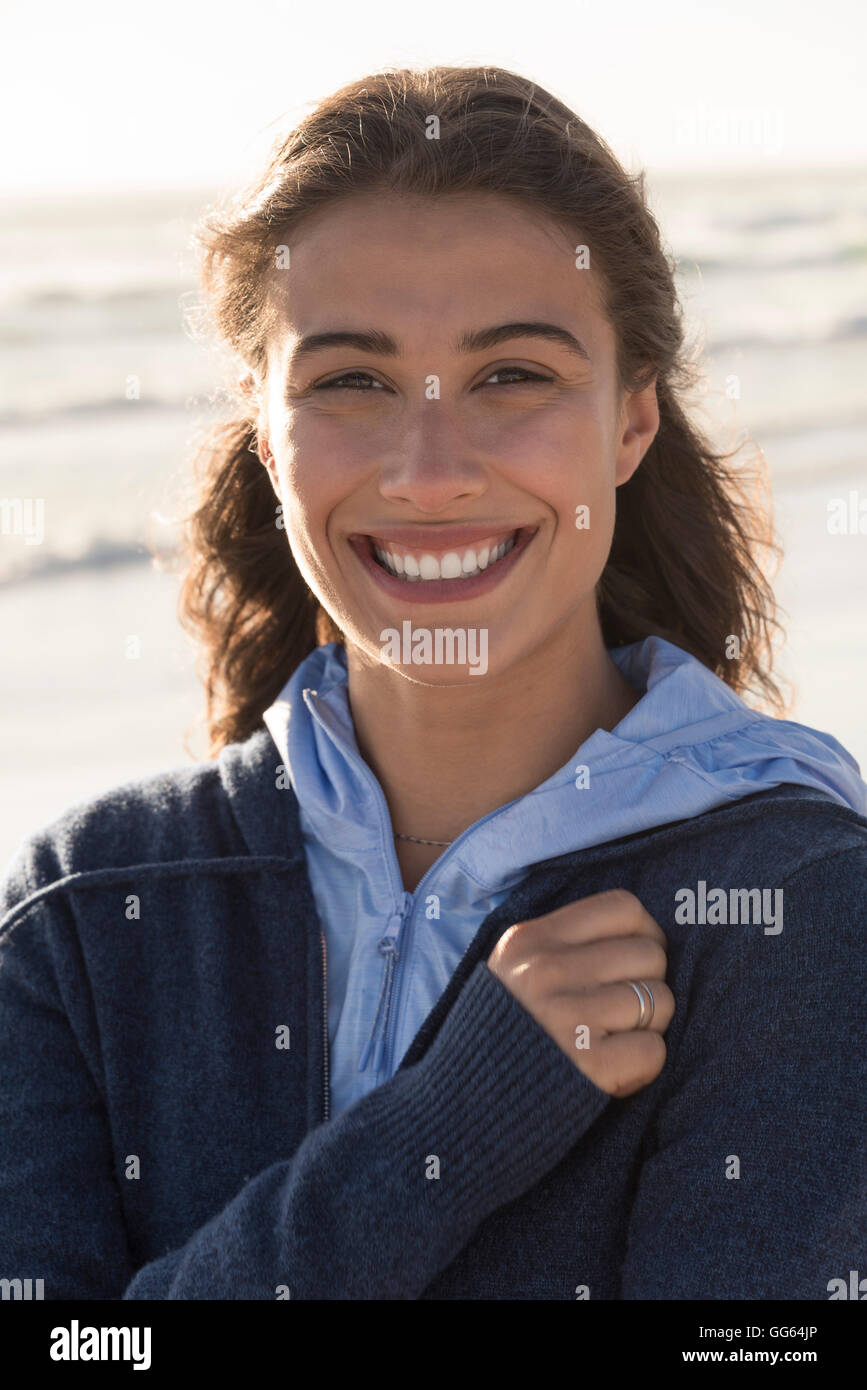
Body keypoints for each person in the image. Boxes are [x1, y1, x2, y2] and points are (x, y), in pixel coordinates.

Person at [1, 65, 865, 1302]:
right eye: (350, 379)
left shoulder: (793, 901)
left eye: (513, 374)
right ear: (265, 428)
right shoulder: (86, 911)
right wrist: (440, 1135)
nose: (429, 469)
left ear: (631, 421)